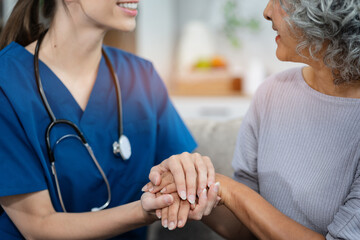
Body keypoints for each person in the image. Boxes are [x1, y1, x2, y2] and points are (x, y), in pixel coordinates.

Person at [0, 0, 218, 239]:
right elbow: (37, 226)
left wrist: (195, 179)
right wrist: (142, 211)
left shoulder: (141, 77)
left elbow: (193, 191)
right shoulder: (7, 81)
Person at [147, 0, 360, 239]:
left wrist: (228, 189)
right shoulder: (272, 92)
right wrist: (193, 186)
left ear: (330, 12)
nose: (267, 12)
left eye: (280, 1)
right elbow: (245, 227)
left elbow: (237, 196)